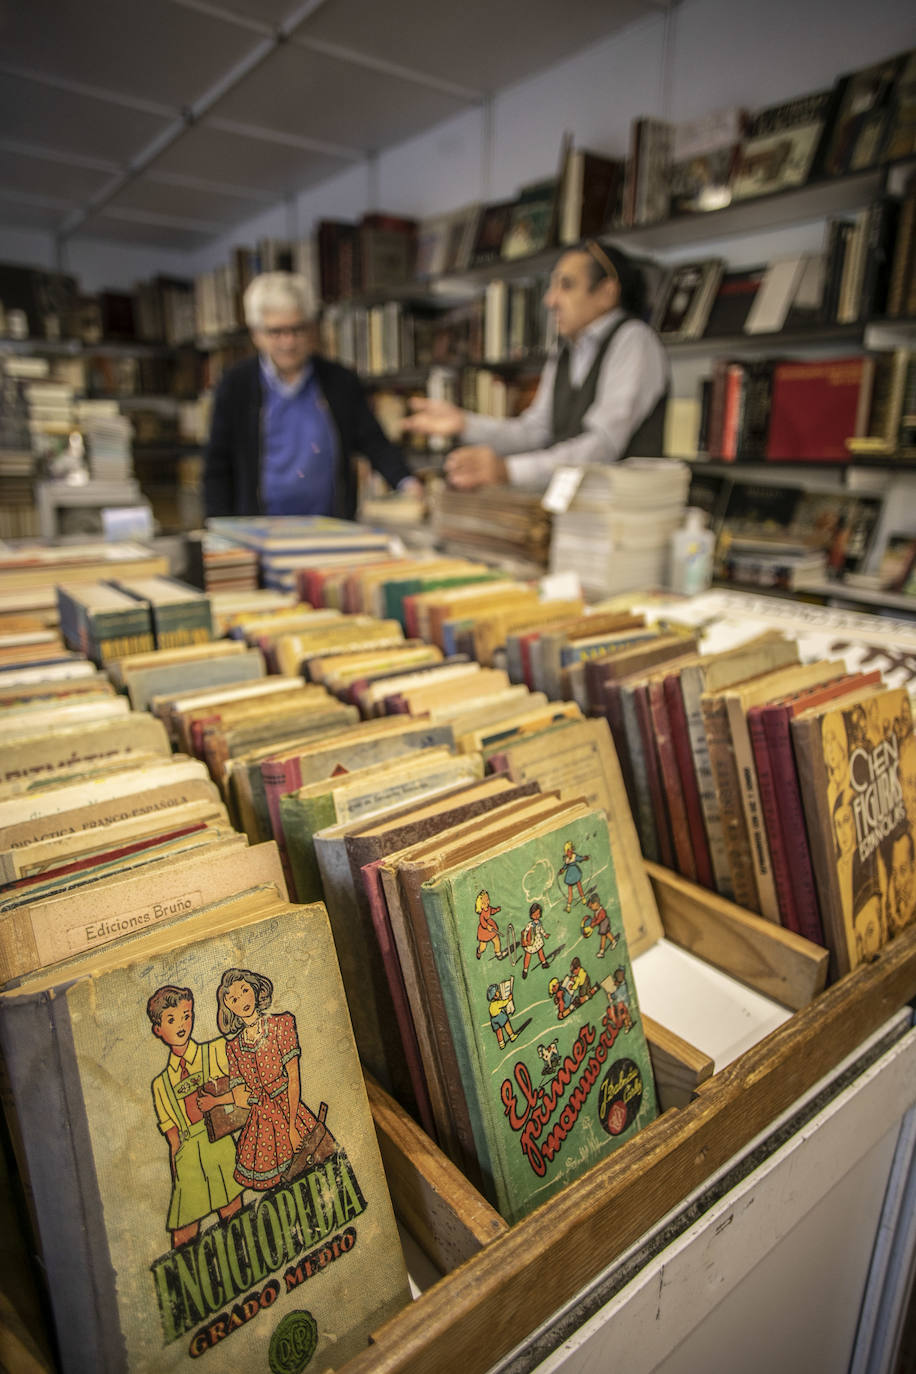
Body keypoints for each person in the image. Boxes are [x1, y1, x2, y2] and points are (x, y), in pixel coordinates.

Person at [402, 239, 668, 491]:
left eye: (566, 285)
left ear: (607, 293)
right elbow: (535, 431)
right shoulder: (565, 352)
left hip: (629, 523)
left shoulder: (634, 340)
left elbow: (602, 446)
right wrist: (465, 424)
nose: (550, 300)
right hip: (580, 519)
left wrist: (509, 470)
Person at [204, 271, 422, 519]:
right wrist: (219, 531)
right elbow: (217, 467)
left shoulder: (341, 381)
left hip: (332, 529)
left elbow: (375, 443)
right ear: (257, 334)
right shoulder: (235, 385)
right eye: (276, 332)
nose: (288, 342)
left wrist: (406, 482)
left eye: (297, 329)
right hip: (259, 532)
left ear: (312, 329)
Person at [147, 984, 244, 1248]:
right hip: (188, 1154)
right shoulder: (161, 1084)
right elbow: (172, 1138)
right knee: (183, 1235)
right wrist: (178, 1173)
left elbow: (240, 1085)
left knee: (236, 1221)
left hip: (220, 1145)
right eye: (171, 1019)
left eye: (186, 1016)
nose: (181, 1024)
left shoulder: (213, 1052)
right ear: (158, 1029)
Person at [215, 966, 319, 1191]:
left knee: (309, 1173)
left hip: (289, 1111)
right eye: (233, 998)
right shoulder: (233, 1047)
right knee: (280, 1189)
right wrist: (249, 1099)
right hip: (261, 1124)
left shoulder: (281, 1024)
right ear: (228, 1007)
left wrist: (291, 1127)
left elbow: (293, 1078)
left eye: (244, 990)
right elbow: (239, 1096)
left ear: (255, 988)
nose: (241, 999)